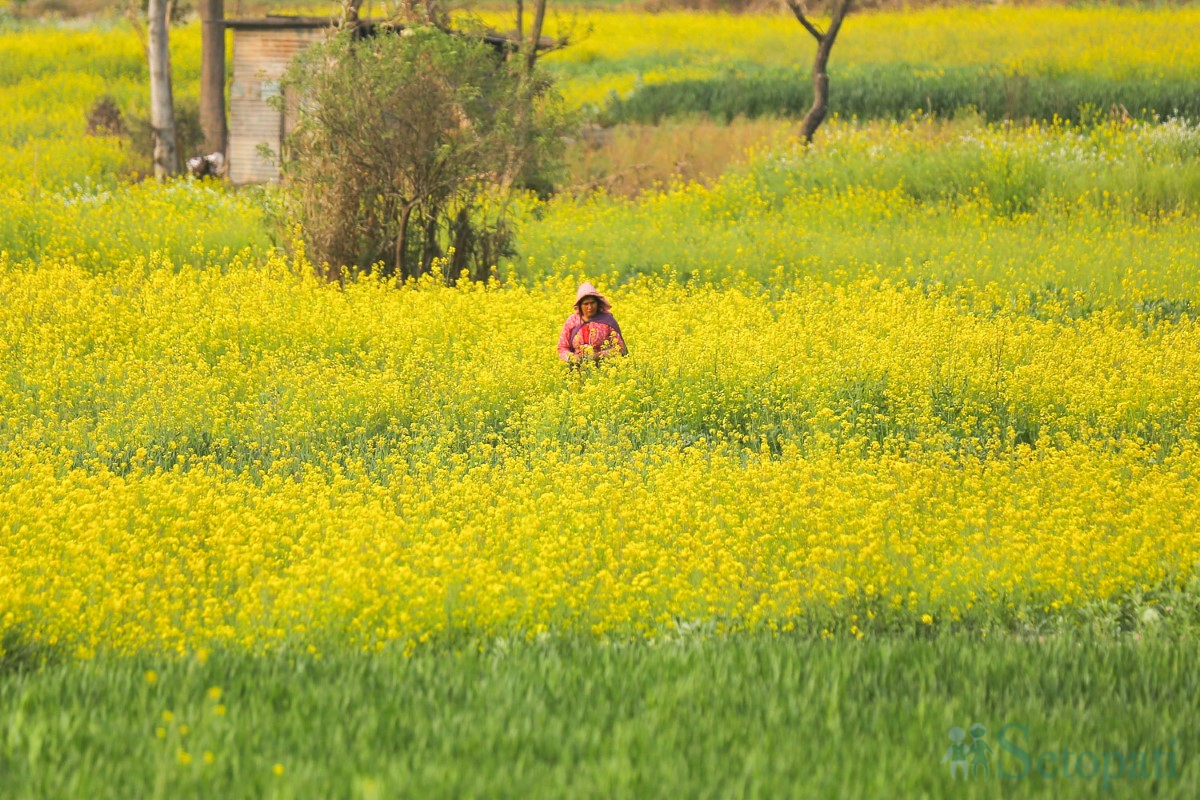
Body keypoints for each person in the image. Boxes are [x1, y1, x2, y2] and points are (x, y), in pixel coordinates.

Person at [557, 282, 628, 365]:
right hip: (576, 368)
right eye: (586, 304)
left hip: (604, 367)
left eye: (592, 303)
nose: (590, 307)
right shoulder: (572, 321)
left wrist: (598, 356)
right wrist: (572, 357)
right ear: (580, 305)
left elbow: (620, 347)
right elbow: (562, 347)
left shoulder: (607, 321)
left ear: (598, 303)